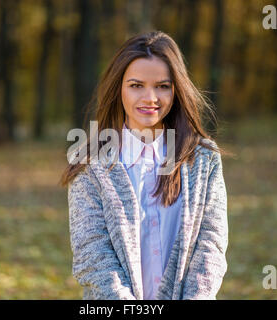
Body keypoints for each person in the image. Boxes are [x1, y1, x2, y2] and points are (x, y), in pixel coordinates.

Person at [60, 31, 229, 300]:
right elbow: (92, 254)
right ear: (119, 88)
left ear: (177, 89)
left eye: (162, 86)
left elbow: (211, 244)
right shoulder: (90, 165)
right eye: (136, 85)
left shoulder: (204, 159)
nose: (150, 98)